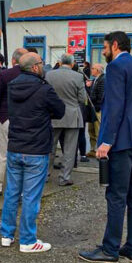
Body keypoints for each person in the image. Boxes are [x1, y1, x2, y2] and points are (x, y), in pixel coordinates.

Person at [79, 31, 132, 263]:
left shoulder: (115, 67)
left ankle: (110, 249)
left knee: (115, 195)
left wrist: (106, 141)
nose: (103, 52)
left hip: (123, 141)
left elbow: (114, 106)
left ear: (114, 45)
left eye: (104, 48)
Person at [0, 53, 65, 253]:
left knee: (12, 192)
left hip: (15, 146)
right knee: (31, 196)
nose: (44, 66)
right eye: (41, 63)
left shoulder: (12, 86)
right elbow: (60, 110)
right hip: (36, 148)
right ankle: (28, 240)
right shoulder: (44, 88)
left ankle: (6, 234)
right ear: (35, 67)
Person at [0, 48, 28, 196]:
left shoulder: (4, 74)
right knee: (23, 155)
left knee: (0, 154)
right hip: (25, 119)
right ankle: (21, 190)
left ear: (13, 60)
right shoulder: (34, 76)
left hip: (4, 117)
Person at [45, 53, 86, 187]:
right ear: (73, 64)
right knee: (69, 149)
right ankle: (65, 177)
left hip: (53, 115)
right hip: (72, 115)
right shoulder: (78, 76)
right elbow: (82, 98)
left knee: (50, 147)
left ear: (60, 62)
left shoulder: (49, 75)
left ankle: (45, 174)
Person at [86, 64, 106, 157]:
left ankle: (100, 151)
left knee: (98, 130)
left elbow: (101, 96)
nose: (91, 70)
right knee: (91, 130)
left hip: (97, 109)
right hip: (92, 109)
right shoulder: (95, 79)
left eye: (93, 68)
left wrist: (96, 106)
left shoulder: (103, 79)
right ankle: (92, 149)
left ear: (98, 70)